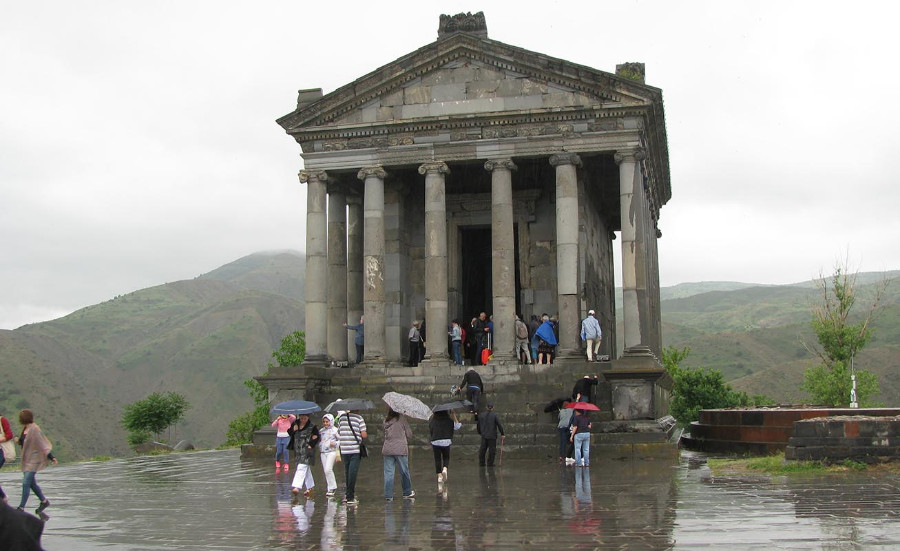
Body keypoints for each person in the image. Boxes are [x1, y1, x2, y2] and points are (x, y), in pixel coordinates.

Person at [16, 409, 57, 516]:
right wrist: (18, 441)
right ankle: (44, 501)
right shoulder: (25, 428)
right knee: (32, 483)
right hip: (27, 460)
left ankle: (21, 507)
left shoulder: (35, 429)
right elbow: (23, 442)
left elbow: (43, 443)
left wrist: (51, 457)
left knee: (26, 483)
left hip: (34, 460)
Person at [382, 408, 415, 501]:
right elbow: (409, 434)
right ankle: (407, 492)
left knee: (388, 473)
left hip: (388, 449)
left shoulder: (385, 421)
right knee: (404, 471)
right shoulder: (402, 419)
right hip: (400, 449)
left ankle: (388, 495)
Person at [336, 409, 367, 505]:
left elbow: (339, 431)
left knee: (347, 471)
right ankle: (350, 496)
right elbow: (364, 435)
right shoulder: (359, 418)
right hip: (354, 449)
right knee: (352, 473)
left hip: (344, 449)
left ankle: (348, 494)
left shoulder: (341, 418)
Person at [288, 414, 320, 497]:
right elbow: (290, 433)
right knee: (306, 469)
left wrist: (311, 444)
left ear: (308, 418)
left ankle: (297, 486)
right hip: (298, 451)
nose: (303, 420)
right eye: (301, 418)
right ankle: (310, 487)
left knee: (301, 467)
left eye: (305, 418)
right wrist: (293, 429)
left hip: (307, 451)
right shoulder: (295, 424)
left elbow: (317, 437)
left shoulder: (312, 426)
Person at [428, 410, 460, 486]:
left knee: (437, 459)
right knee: (446, 457)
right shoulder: (449, 420)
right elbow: (457, 426)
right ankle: (445, 468)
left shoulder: (433, 420)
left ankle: (439, 476)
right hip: (446, 440)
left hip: (436, 441)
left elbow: (431, 429)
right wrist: (454, 415)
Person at [477, 403, 505, 467]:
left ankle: (481, 463)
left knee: (482, 449)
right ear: (493, 407)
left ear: (486, 407)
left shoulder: (481, 415)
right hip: (492, 436)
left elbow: (478, 425)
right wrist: (502, 433)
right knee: (492, 450)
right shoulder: (495, 415)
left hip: (484, 435)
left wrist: (480, 432)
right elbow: (499, 425)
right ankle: (490, 463)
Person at [318, 414, 340, 497]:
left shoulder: (335, 430)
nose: (325, 423)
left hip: (332, 452)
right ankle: (329, 487)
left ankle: (332, 487)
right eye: (324, 422)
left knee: (328, 469)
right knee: (325, 470)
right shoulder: (321, 431)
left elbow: (340, 440)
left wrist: (334, 443)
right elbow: (320, 441)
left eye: (327, 422)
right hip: (323, 452)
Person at [0, 413, 14, 505]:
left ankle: (3, 497)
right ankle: (3, 497)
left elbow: (9, 434)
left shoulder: (2, 420)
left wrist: (1, 439)